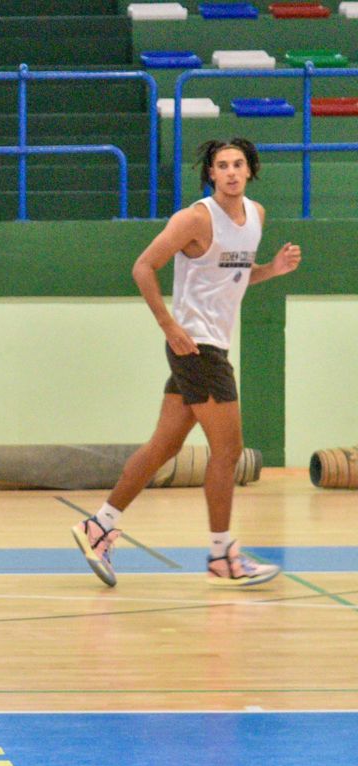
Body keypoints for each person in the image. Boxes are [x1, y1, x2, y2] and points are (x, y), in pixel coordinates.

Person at [72, 137, 300, 588]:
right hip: (196, 348)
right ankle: (221, 554)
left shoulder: (256, 216)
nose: (231, 172)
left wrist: (272, 270)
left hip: (207, 347)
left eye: (238, 164)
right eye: (222, 165)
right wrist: (168, 326)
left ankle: (97, 526)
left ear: (250, 170)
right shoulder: (195, 218)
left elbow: (232, 278)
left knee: (164, 447)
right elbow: (143, 266)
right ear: (210, 173)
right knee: (228, 452)